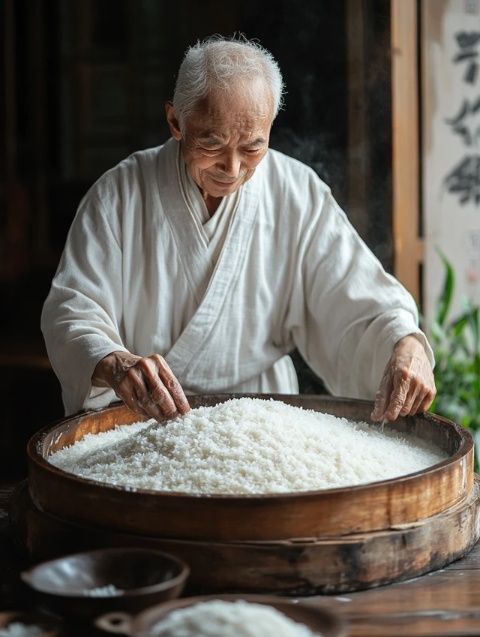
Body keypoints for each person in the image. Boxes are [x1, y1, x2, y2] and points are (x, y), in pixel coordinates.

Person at [41, 35, 436, 424]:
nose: (232, 169)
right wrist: (115, 362)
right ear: (175, 121)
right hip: (142, 419)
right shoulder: (118, 195)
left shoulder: (296, 192)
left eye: (252, 148)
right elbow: (73, 310)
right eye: (212, 145)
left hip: (262, 419)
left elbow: (359, 301)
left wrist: (404, 344)